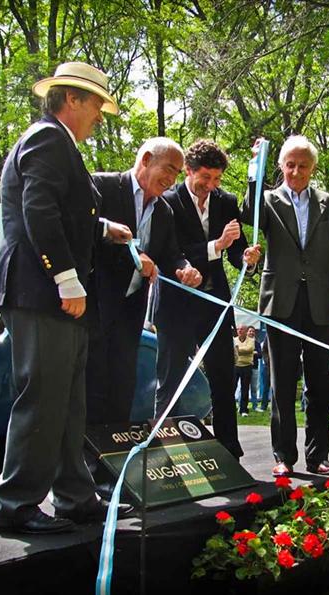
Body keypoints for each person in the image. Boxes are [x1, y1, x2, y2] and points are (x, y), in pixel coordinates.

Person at [0, 62, 130, 534]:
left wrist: (104, 229)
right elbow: (39, 208)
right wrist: (66, 278)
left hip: (58, 294)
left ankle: (75, 497)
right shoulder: (47, 138)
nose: (100, 117)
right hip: (42, 290)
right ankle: (15, 504)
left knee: (70, 401)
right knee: (43, 398)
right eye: (97, 106)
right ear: (72, 99)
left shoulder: (59, 144)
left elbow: (66, 210)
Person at [241, 135, 329, 477]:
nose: (296, 172)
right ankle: (283, 456)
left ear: (312, 168)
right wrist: (254, 169)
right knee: (282, 384)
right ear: (281, 166)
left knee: (320, 383)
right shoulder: (268, 200)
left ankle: (318, 457)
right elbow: (249, 212)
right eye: (290, 165)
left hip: (319, 304)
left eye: (303, 166)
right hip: (280, 303)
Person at [152, 139, 260, 458]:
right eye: (205, 178)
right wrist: (217, 245)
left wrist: (247, 259)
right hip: (176, 304)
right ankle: (163, 450)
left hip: (215, 304)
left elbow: (236, 252)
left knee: (224, 377)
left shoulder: (226, 201)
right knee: (170, 379)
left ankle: (229, 449)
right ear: (189, 170)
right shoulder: (166, 201)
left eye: (217, 179)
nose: (211, 186)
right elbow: (169, 251)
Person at [86, 138, 203, 428]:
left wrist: (185, 269)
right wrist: (134, 255)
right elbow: (81, 230)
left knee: (123, 382)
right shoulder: (104, 186)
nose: (172, 179)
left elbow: (170, 255)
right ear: (147, 159)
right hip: (95, 306)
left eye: (177, 173)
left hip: (131, 311)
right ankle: (85, 458)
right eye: (169, 169)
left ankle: (116, 455)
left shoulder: (165, 211)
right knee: (92, 383)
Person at [233, 325, 255, 417]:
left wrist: (238, 349)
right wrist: (241, 350)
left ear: (246, 331)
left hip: (247, 366)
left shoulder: (251, 340)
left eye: (241, 329)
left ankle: (243, 409)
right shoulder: (234, 339)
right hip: (236, 366)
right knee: (232, 388)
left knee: (245, 389)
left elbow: (249, 349)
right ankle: (231, 407)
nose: (239, 331)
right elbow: (235, 351)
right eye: (238, 329)